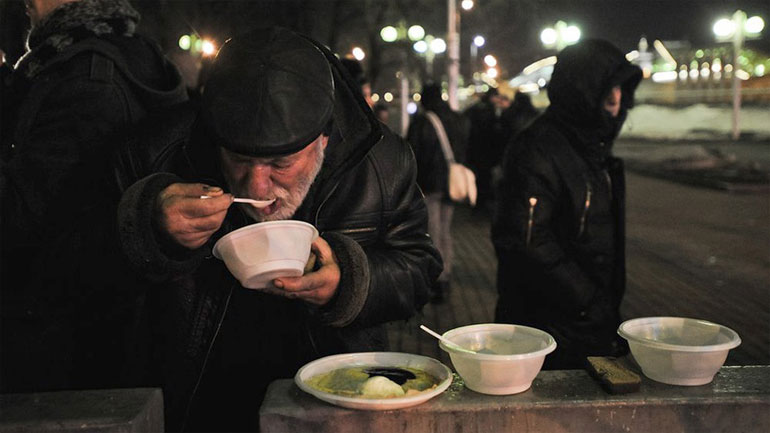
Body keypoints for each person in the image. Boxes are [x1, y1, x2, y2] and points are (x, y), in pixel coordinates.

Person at [114, 27, 441, 432]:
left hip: (335, 399)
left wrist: (351, 282)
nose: (256, 186)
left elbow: (420, 267)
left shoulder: (380, 162)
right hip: (198, 400)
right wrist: (150, 223)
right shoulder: (158, 151)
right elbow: (82, 278)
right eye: (238, 159)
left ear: (323, 138)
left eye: (281, 165)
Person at [0, 0, 187, 393]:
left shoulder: (86, 79)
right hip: (101, 335)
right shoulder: (123, 52)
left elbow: (31, 223)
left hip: (62, 348)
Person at [492, 39, 642, 370]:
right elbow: (526, 239)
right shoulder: (538, 148)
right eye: (607, 88)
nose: (616, 99)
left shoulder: (592, 150)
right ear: (583, 91)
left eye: (620, 88)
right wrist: (587, 300)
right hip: (546, 329)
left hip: (585, 323)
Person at [406, 82, 468, 304]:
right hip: (451, 184)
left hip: (429, 184)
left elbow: (412, 152)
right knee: (445, 230)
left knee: (432, 232)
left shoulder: (423, 121)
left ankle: (437, 278)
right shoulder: (456, 118)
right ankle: (446, 273)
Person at [464, 87, 505, 212]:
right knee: (485, 178)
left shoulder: (475, 109)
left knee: (478, 178)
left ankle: (476, 203)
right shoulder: (490, 111)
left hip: (475, 150)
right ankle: (481, 204)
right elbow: (494, 133)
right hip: (487, 150)